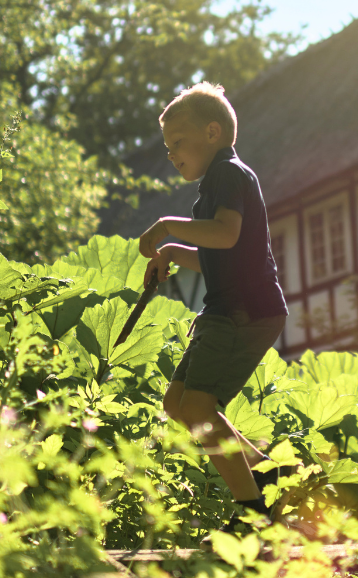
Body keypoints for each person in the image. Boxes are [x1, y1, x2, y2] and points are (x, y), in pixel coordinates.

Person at [138, 82, 289, 537]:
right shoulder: (211, 190)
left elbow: (225, 234)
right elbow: (216, 256)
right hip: (228, 309)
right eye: (167, 147)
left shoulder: (228, 172)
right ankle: (268, 473)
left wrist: (167, 226)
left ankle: (253, 514)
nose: (171, 154)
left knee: (200, 407)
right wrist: (170, 253)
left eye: (177, 142)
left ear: (212, 132)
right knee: (177, 403)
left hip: (244, 310)